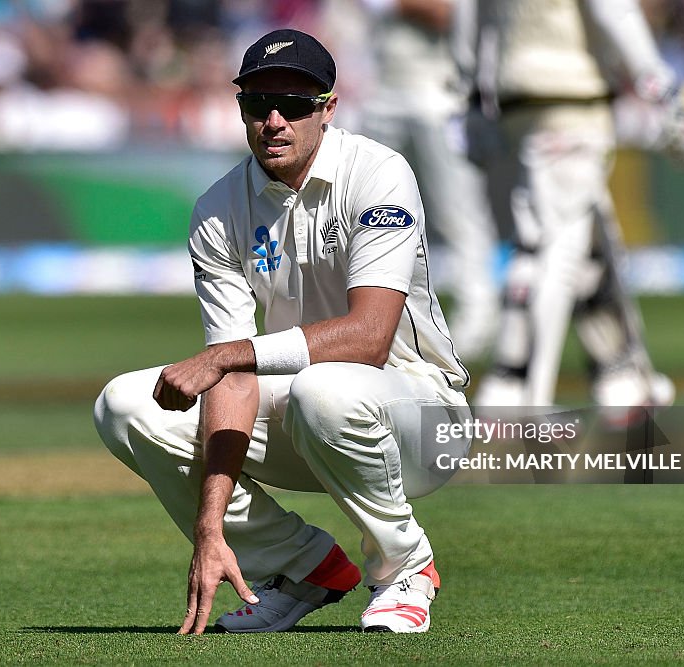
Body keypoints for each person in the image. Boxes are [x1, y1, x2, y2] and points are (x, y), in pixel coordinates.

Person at [93, 28, 471, 635]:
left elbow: (371, 336)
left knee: (324, 388)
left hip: (423, 419)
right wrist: (209, 527)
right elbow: (233, 379)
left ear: (328, 108)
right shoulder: (220, 209)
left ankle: (405, 568)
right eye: (256, 104)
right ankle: (303, 568)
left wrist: (231, 357)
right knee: (126, 405)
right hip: (310, 414)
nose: (274, 120)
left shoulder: (378, 173)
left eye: (294, 105)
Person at [453, 0, 684, 408]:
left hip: (514, 100)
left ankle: (616, 375)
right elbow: (614, 12)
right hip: (573, 99)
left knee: (571, 237)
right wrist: (658, 82)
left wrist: (471, 92)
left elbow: (468, 19)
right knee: (561, 249)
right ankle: (535, 395)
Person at [354, 0, 498, 363]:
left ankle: (478, 317)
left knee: (457, 213)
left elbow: (447, 15)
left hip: (437, 91)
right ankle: (377, 317)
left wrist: (395, 4)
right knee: (370, 207)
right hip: (386, 88)